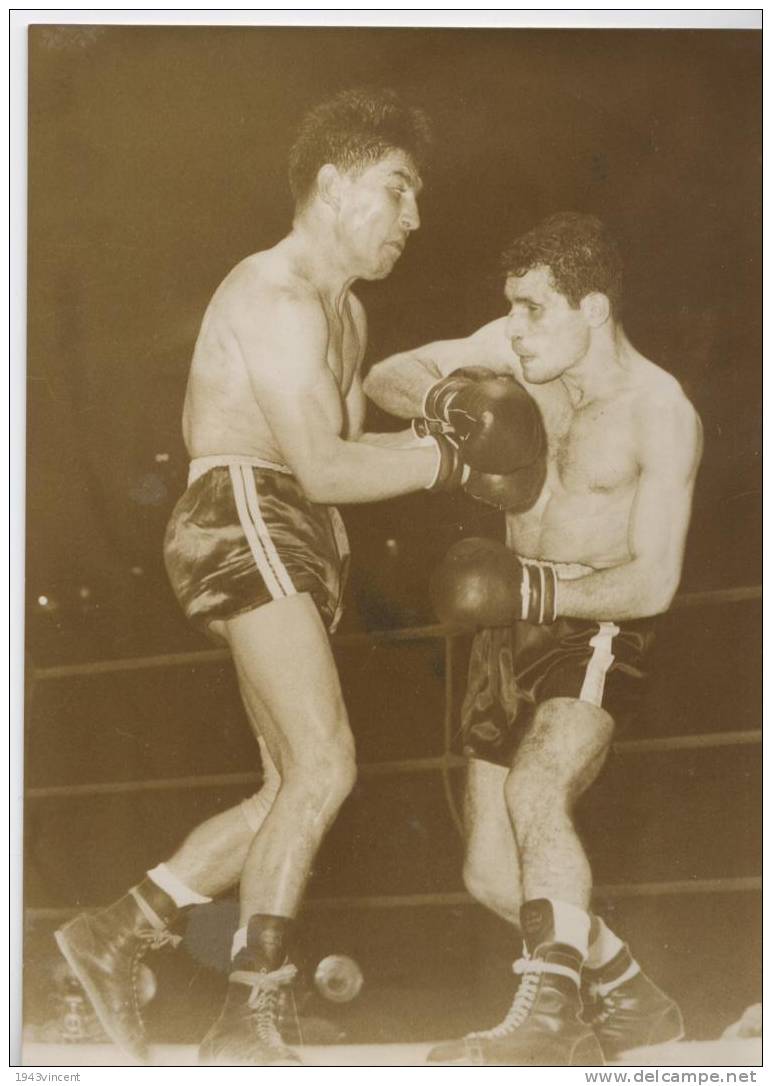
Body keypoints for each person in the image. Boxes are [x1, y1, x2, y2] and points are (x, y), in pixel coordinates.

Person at [53, 87, 540, 1067]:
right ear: (331, 184)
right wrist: (451, 460)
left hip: (299, 531)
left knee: (291, 783)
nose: (415, 217)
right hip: (247, 506)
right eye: (398, 191)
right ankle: (251, 1012)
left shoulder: (346, 315)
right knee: (326, 763)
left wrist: (436, 428)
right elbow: (318, 465)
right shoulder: (273, 295)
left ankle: (111, 935)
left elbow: (348, 471)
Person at [363, 212, 703, 1066]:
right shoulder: (518, 351)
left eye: (532, 311)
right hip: (502, 628)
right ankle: (630, 996)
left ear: (591, 308)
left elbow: (656, 579)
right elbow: (387, 377)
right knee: (487, 872)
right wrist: (449, 404)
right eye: (509, 309)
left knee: (536, 790)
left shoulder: (660, 412)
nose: (514, 330)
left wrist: (538, 587)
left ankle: (546, 1021)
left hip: (597, 622)